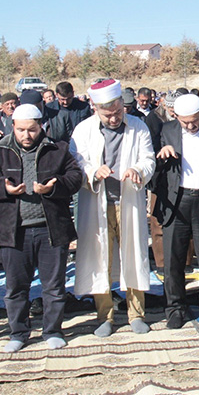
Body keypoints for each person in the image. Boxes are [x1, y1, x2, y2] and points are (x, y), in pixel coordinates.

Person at [0, 103, 82, 352]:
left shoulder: (58, 149)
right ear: (13, 126)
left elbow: (75, 177)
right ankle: (18, 332)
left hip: (50, 228)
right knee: (15, 287)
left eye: (32, 130)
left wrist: (53, 187)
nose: (26, 135)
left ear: (41, 126)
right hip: (14, 231)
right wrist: (5, 189)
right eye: (21, 130)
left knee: (53, 286)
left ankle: (53, 330)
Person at [69, 79, 156, 337]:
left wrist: (138, 170)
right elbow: (76, 163)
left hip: (128, 202)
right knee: (99, 258)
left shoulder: (138, 127)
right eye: (108, 114)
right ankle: (104, 316)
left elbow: (148, 159)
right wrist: (94, 172)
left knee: (134, 255)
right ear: (96, 109)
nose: (114, 118)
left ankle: (136, 314)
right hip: (97, 203)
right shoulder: (83, 130)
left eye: (118, 112)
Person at [153, 94, 199, 328]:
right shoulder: (166, 131)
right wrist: (161, 157)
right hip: (177, 200)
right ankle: (175, 308)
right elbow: (151, 169)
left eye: (194, 121)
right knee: (173, 260)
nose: (190, 126)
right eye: (185, 122)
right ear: (176, 117)